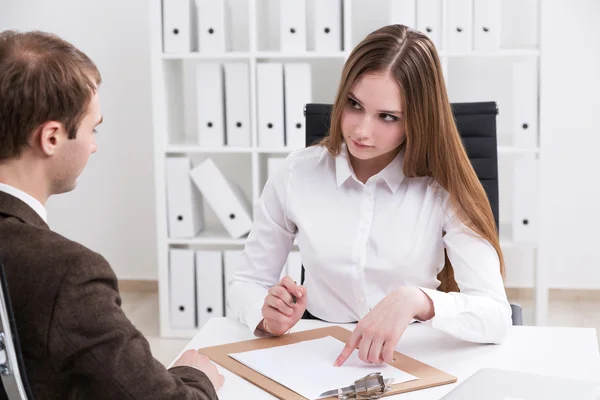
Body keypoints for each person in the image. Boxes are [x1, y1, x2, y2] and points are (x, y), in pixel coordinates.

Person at [227, 24, 512, 367]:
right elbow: (246, 281)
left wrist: (416, 300)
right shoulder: (296, 174)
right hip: (317, 352)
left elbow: (496, 315)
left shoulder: (442, 188)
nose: (361, 131)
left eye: (388, 117)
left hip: (411, 353)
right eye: (354, 104)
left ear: (418, 121)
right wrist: (265, 314)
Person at [0, 30, 223, 399]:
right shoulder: (67, 273)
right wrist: (193, 374)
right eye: (93, 128)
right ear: (51, 137)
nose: (94, 145)